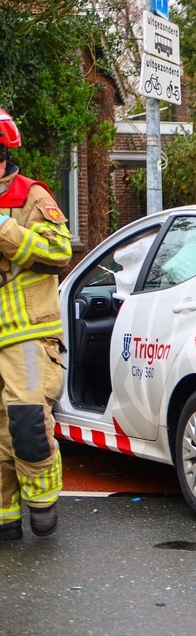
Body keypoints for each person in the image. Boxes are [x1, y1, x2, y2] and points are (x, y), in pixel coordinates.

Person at [0, 108, 73, 540]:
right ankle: (4, 517)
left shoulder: (31, 197)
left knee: (26, 422)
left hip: (26, 334)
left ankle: (42, 504)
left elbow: (59, 252)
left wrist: (5, 229)